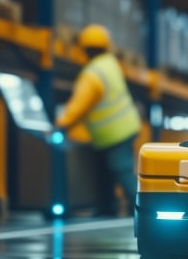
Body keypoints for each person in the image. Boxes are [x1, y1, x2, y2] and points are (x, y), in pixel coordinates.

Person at [54, 24, 142, 217]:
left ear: (84, 48)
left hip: (115, 132)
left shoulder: (92, 74)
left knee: (122, 170)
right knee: (108, 172)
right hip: (124, 128)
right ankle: (107, 207)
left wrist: (61, 125)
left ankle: (142, 209)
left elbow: (79, 105)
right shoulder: (110, 63)